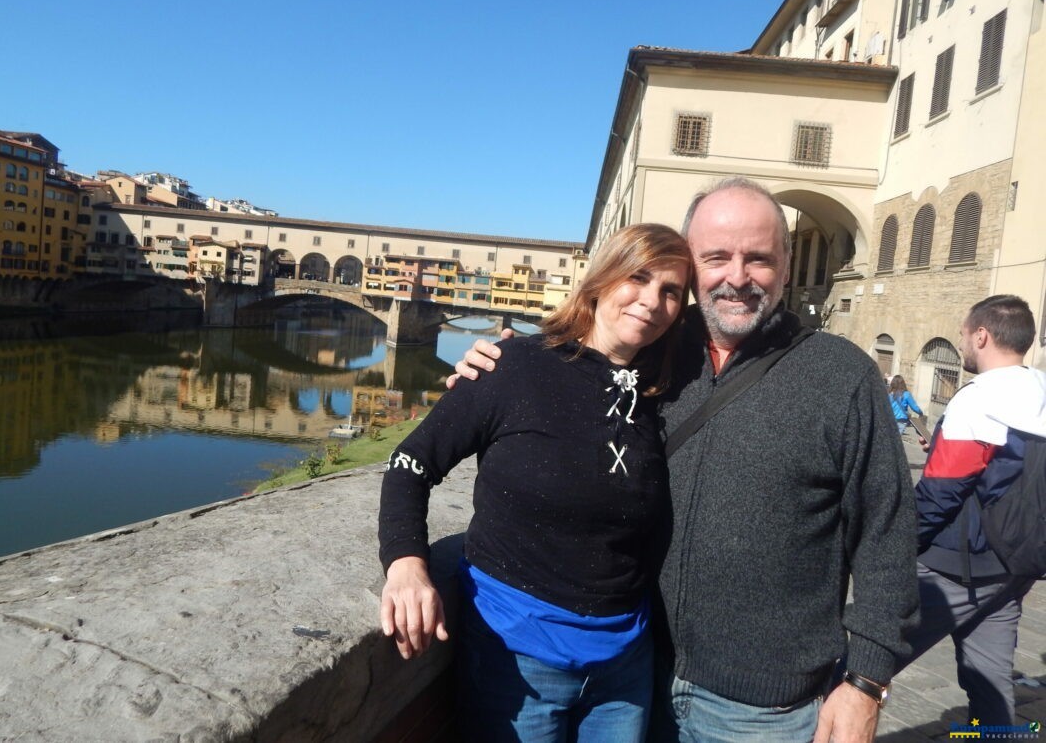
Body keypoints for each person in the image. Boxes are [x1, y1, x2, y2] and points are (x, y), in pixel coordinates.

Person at [452, 176, 919, 743]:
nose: (738, 276)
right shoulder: (650, 349)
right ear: (690, 266)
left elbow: (887, 533)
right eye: (716, 257)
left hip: (763, 707)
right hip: (635, 675)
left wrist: (867, 681)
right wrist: (490, 366)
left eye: (759, 259)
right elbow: (561, 366)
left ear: (787, 267)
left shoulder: (842, 376)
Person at [378, 222, 692, 742]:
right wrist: (406, 563)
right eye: (637, 278)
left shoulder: (663, 390)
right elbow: (411, 464)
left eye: (671, 292)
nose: (651, 301)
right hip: (516, 659)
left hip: (625, 667)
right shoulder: (514, 365)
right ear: (601, 278)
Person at [899, 295, 1046, 729]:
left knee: (868, 657)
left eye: (964, 335)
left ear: (981, 335)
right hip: (1016, 565)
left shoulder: (979, 397)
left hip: (956, 565)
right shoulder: (1039, 388)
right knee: (990, 679)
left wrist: (896, 542)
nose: (963, 344)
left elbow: (940, 495)